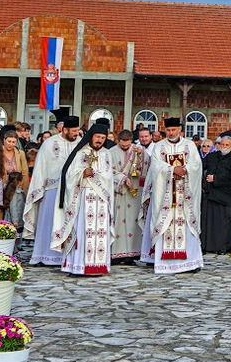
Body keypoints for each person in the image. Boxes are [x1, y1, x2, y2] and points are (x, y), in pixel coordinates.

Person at [53, 121, 116, 276]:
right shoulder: (80, 152)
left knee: (100, 232)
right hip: (82, 198)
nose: (100, 140)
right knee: (81, 232)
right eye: (97, 137)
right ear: (91, 136)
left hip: (101, 200)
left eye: (103, 137)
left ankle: (99, 265)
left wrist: (95, 175)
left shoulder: (106, 154)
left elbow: (109, 176)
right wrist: (81, 174)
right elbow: (68, 175)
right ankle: (77, 266)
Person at [142, 117, 203, 273]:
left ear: (180, 130)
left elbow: (196, 165)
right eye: (168, 130)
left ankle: (190, 263)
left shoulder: (189, 145)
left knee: (187, 225)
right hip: (166, 196)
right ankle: (165, 263)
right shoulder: (159, 147)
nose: (171, 133)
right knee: (165, 224)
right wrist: (171, 170)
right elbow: (155, 166)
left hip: (185, 195)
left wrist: (185, 170)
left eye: (174, 130)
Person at [26, 116, 82, 266]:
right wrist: (38, 190)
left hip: (73, 192)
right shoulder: (49, 144)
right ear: (64, 130)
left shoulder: (80, 144)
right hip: (52, 189)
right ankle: (44, 256)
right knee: (49, 223)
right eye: (74, 131)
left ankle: (67, 257)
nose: (77, 134)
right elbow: (40, 168)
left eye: (78, 130)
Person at [111, 130, 148, 264]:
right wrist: (121, 178)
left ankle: (131, 254)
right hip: (118, 192)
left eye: (128, 145)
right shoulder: (111, 152)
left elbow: (146, 168)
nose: (126, 147)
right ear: (118, 140)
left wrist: (140, 160)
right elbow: (109, 171)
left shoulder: (139, 151)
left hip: (134, 190)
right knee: (117, 221)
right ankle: (115, 254)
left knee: (133, 221)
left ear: (131, 141)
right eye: (123, 145)